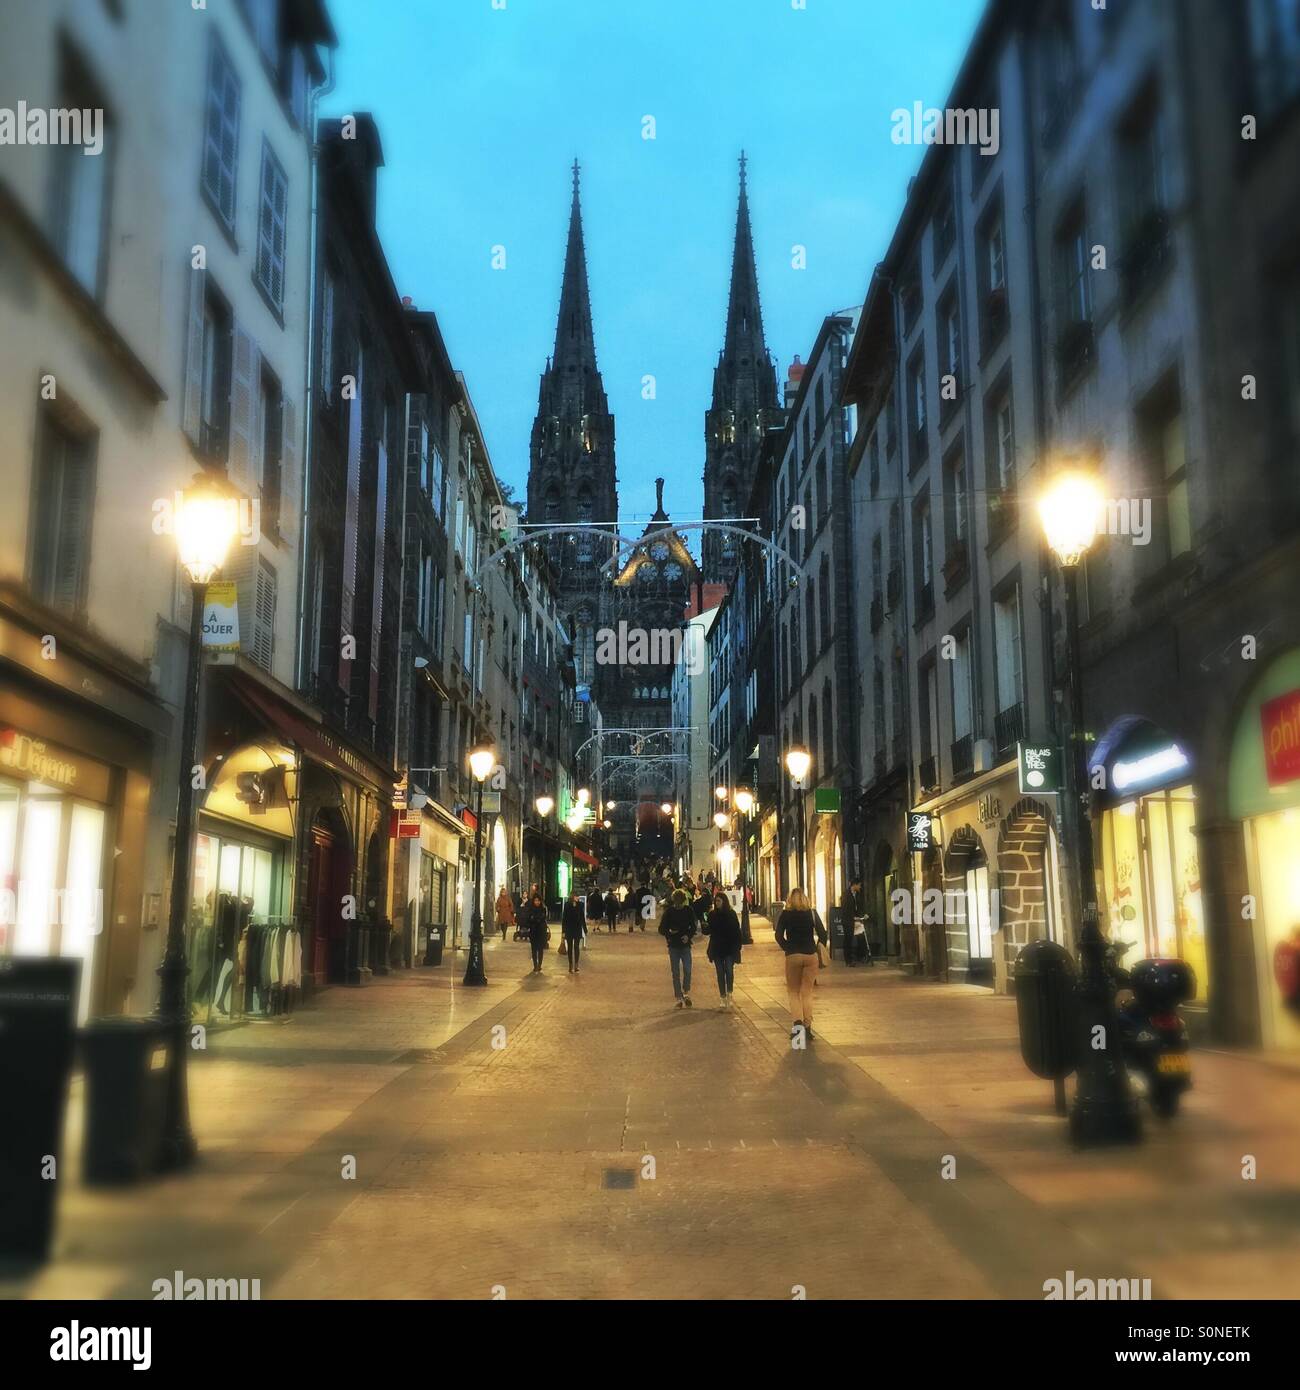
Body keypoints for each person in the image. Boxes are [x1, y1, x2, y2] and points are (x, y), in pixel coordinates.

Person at [775, 887, 828, 1042]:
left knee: (793, 992)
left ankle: (798, 1028)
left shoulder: (786, 914)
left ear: (790, 899)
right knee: (807, 992)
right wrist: (818, 947)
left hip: (793, 956)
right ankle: (808, 1027)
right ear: (804, 899)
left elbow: (778, 935)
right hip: (810, 955)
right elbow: (823, 933)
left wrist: (787, 947)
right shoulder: (811, 913)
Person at [659, 886, 697, 1007]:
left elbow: (693, 926)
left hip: (685, 945)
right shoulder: (669, 912)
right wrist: (670, 933)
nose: (678, 905)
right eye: (677, 903)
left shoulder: (688, 910)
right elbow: (661, 929)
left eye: (680, 903)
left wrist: (688, 936)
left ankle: (685, 991)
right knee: (675, 972)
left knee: (688, 970)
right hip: (674, 946)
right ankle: (679, 996)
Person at [704, 889, 742, 1008]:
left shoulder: (731, 914)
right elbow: (708, 930)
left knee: (729, 972)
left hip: (729, 947)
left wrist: (737, 946)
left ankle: (729, 992)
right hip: (717, 948)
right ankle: (722, 996)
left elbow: (736, 931)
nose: (717, 903)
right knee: (720, 973)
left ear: (724, 902)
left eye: (719, 901)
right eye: (716, 901)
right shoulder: (712, 915)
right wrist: (704, 927)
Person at [523, 892, 549, 974]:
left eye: (538, 900)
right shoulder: (530, 909)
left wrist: (535, 919)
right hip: (533, 932)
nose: (537, 902)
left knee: (540, 949)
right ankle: (535, 965)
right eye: (535, 900)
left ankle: (539, 965)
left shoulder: (543, 909)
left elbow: (543, 919)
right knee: (534, 949)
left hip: (541, 932)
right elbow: (528, 920)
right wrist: (533, 920)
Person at [562, 891, 586, 973]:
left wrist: (585, 929)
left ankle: (576, 965)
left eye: (578, 896)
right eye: (576, 896)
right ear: (572, 897)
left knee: (576, 947)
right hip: (569, 928)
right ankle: (570, 965)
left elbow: (582, 917)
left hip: (577, 929)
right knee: (569, 947)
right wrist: (563, 931)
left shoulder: (580, 905)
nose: (578, 898)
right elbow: (564, 918)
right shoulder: (567, 905)